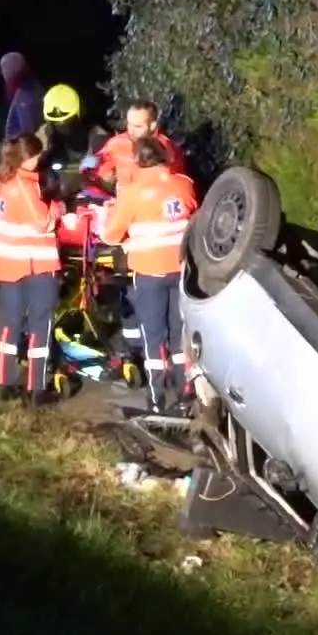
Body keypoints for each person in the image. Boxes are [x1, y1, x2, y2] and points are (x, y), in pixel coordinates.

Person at [100, 135, 197, 413]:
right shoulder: (185, 185)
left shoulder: (131, 192)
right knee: (181, 335)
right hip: (182, 270)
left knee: (154, 336)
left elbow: (111, 234)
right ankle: (186, 393)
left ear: (138, 161)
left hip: (149, 272)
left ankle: (156, 400)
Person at [0, 133, 65, 406]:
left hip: (5, 262)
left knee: (11, 323)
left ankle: (3, 384)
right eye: (38, 156)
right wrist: (58, 207)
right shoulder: (23, 185)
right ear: (27, 157)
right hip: (35, 262)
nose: (40, 160)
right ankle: (36, 388)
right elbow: (43, 222)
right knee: (40, 324)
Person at [93, 99, 187, 191]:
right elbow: (101, 166)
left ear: (153, 126)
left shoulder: (166, 150)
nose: (131, 131)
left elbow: (175, 185)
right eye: (129, 124)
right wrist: (108, 179)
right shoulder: (117, 143)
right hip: (121, 198)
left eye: (138, 126)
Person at [33, 84, 97, 203]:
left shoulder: (97, 137)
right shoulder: (45, 136)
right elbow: (25, 165)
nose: (62, 125)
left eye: (67, 120)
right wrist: (41, 153)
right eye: (56, 122)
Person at [0, 52, 44, 140]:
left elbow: (27, 131)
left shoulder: (22, 95)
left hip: (23, 147)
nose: (2, 72)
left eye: (5, 68)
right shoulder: (36, 85)